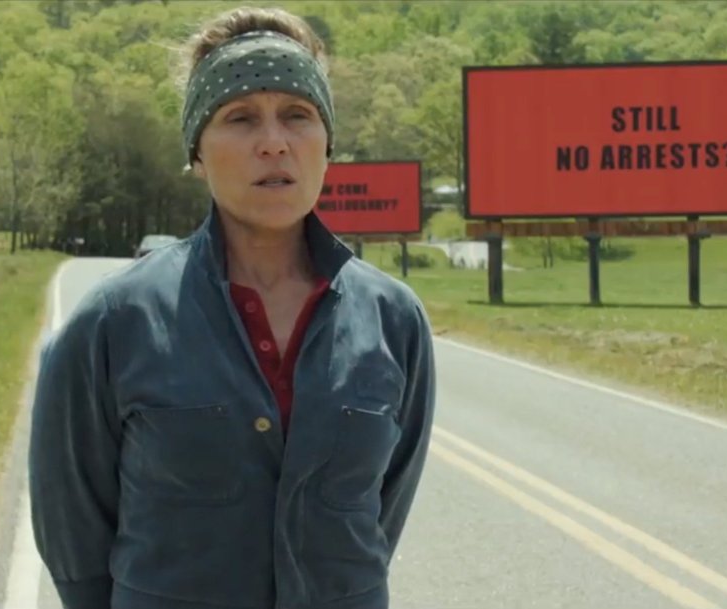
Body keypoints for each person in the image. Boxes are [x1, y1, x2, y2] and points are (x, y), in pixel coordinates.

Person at [26, 6, 437, 609]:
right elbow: (74, 534)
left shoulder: (394, 321)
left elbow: (378, 520)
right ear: (197, 152)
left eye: (297, 115)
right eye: (240, 118)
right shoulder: (113, 322)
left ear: (327, 144)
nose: (274, 143)